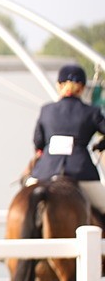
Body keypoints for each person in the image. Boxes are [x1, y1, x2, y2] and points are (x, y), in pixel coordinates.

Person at [30, 63, 105, 226]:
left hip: (46, 171)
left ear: (59, 85)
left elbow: (38, 141)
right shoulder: (92, 112)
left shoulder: (46, 110)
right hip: (81, 171)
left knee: (26, 197)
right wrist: (101, 144)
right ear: (83, 88)